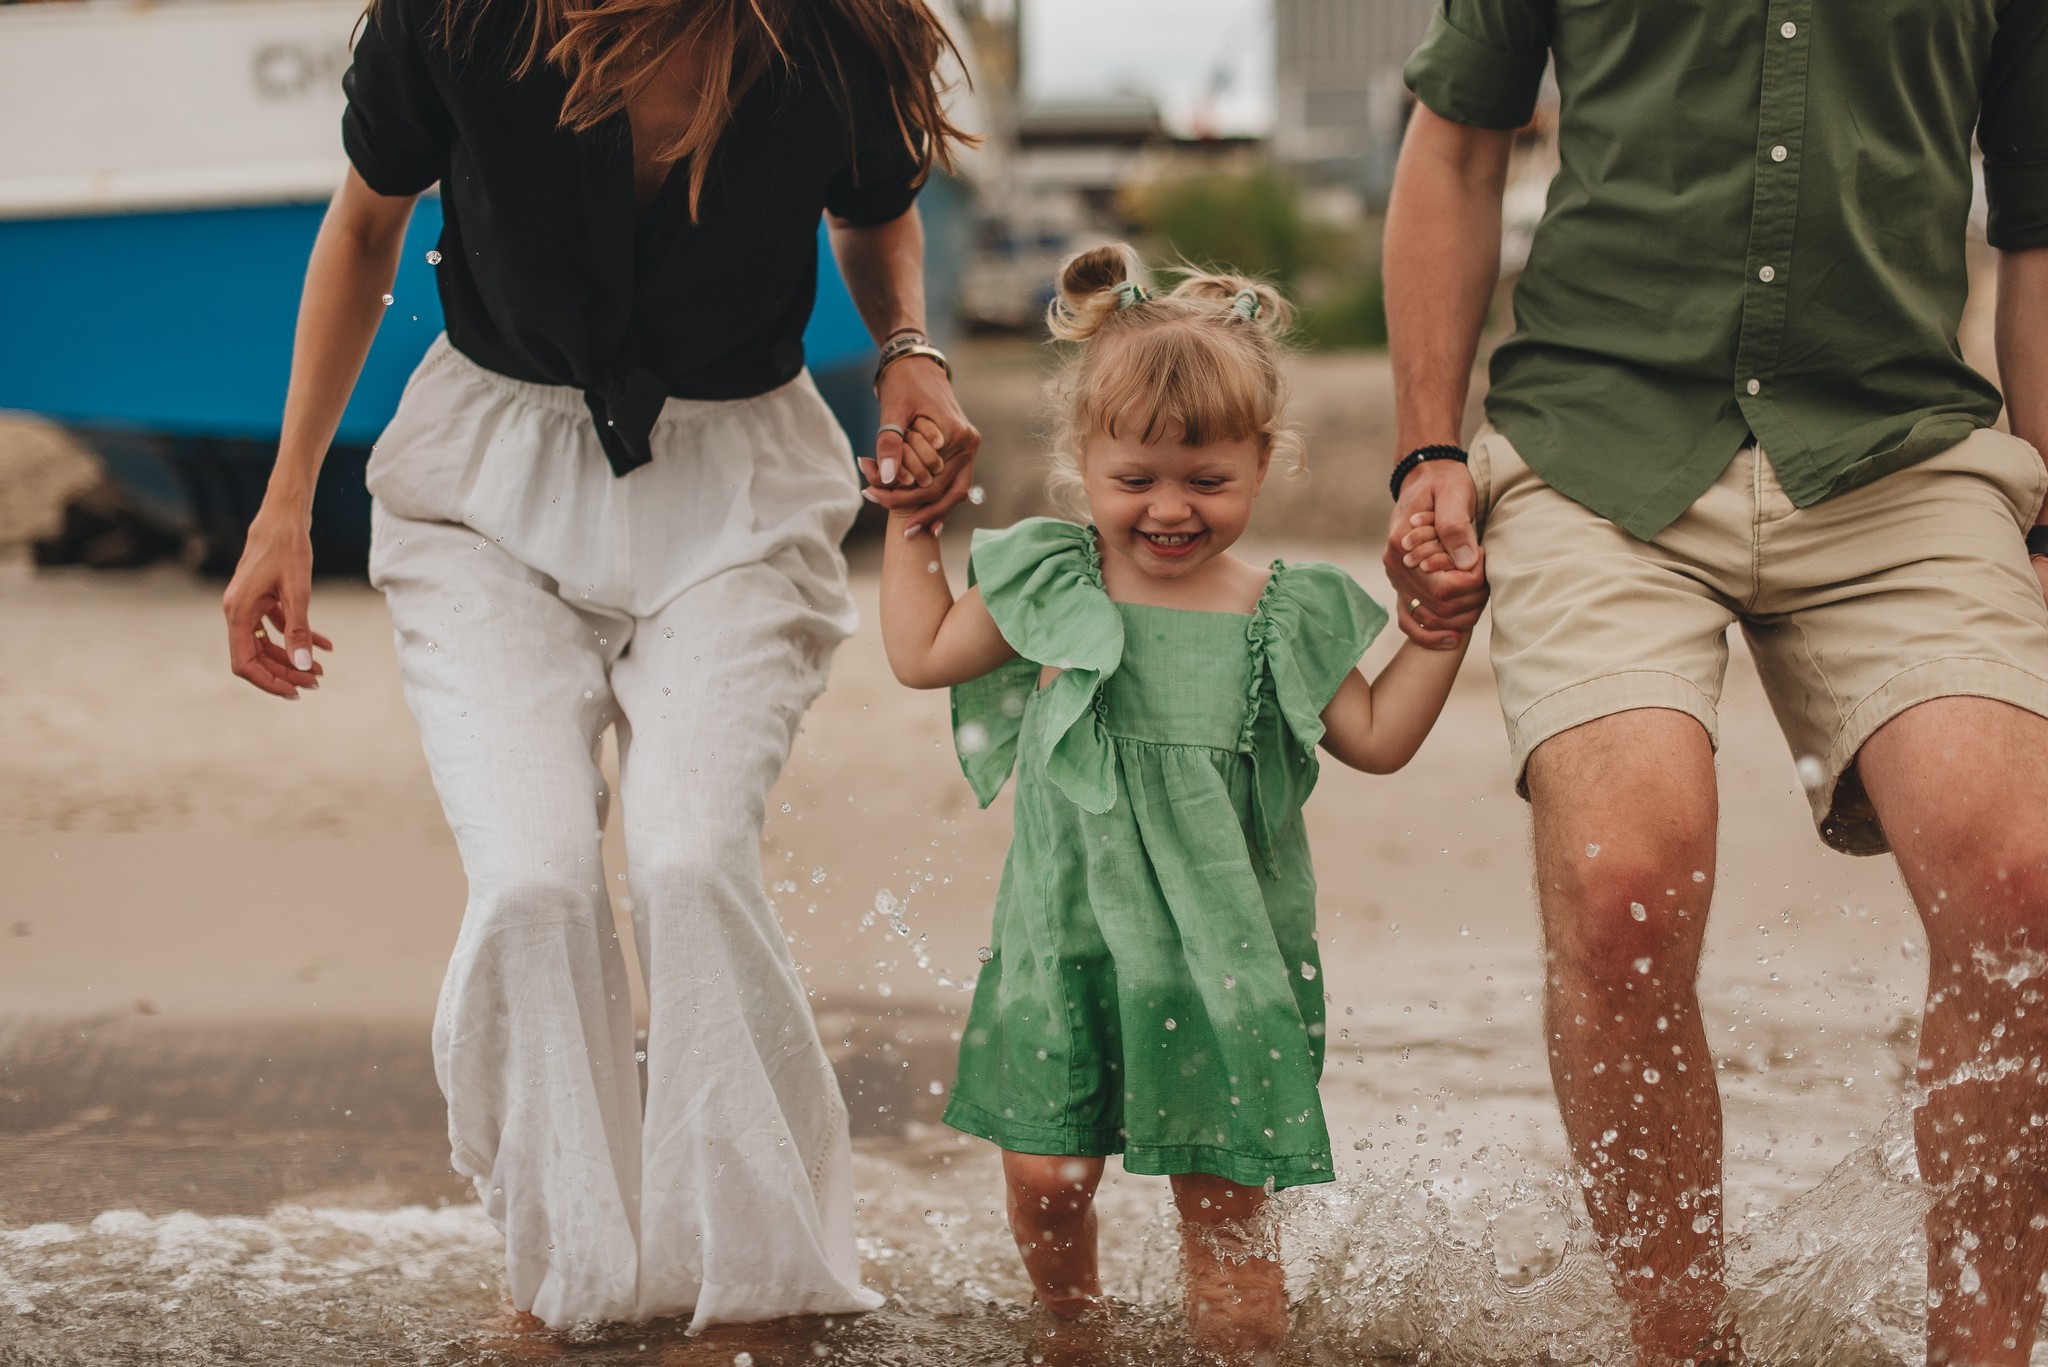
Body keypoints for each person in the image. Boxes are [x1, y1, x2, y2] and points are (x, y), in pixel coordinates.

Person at [219, 0, 980, 1332]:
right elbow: (362, 224)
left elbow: (872, 209)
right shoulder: (454, 22)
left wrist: (909, 348)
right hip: (482, 487)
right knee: (530, 881)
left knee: (689, 859)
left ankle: (756, 1285)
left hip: (740, 485)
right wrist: (286, 500)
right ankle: (569, 1281)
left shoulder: (832, 33)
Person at [1380, 3, 2048, 1364]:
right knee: (1626, 879)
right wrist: (1425, 447)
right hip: (1598, 442)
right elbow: (1455, 147)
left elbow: (2037, 220)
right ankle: (1680, 1344)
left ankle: (1981, 1349)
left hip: (1899, 448)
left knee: (2028, 885)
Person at [877, 243, 1474, 1355]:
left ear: (1262, 460)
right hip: (1065, 943)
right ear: (1081, 460)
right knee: (1048, 1177)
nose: (1168, 508)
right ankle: (1074, 1329)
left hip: (1219, 964)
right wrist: (912, 526)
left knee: (1224, 1219)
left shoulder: (1278, 611)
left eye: (1207, 481)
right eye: (1134, 478)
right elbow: (920, 654)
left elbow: (1379, 737)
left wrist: (1438, 630)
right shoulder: (1052, 580)